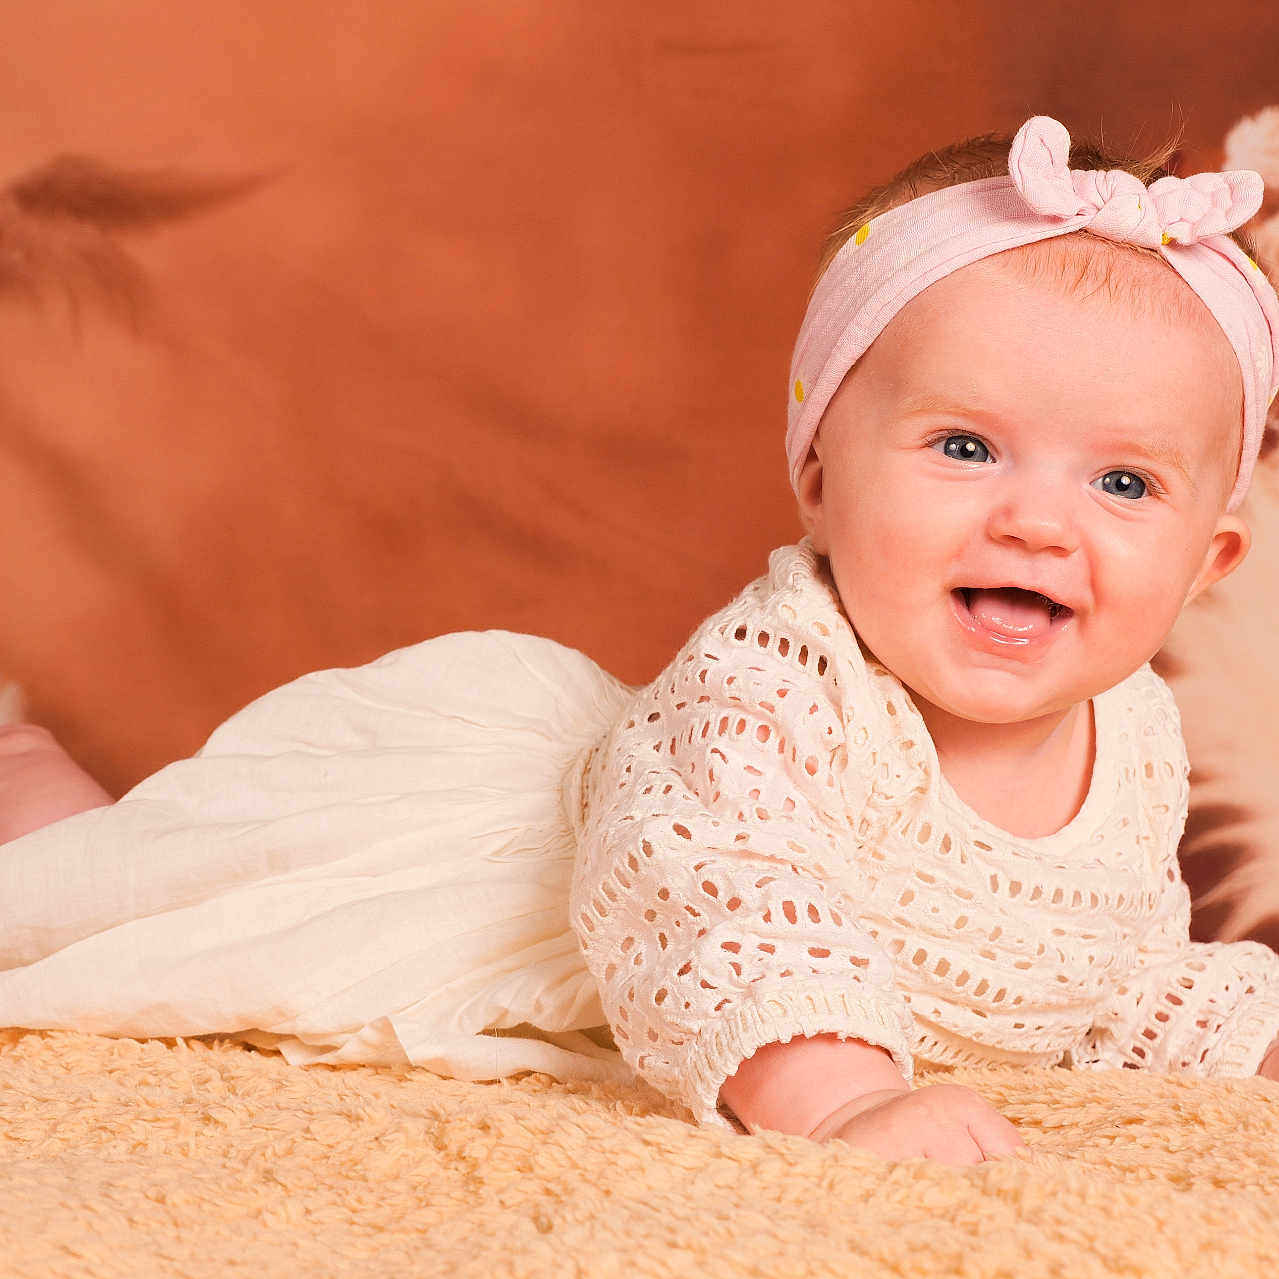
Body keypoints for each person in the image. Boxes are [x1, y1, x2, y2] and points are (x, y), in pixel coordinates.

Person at [2, 116, 1278, 1168]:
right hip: (507, 887)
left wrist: (1249, 1035)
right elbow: (719, 896)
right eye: (963, 447)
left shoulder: (1135, 735)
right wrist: (839, 1101)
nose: (1038, 522)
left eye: (1123, 485)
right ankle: (28, 774)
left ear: (1207, 562)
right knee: (135, 902)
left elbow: (1100, 970)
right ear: (822, 478)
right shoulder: (776, 680)